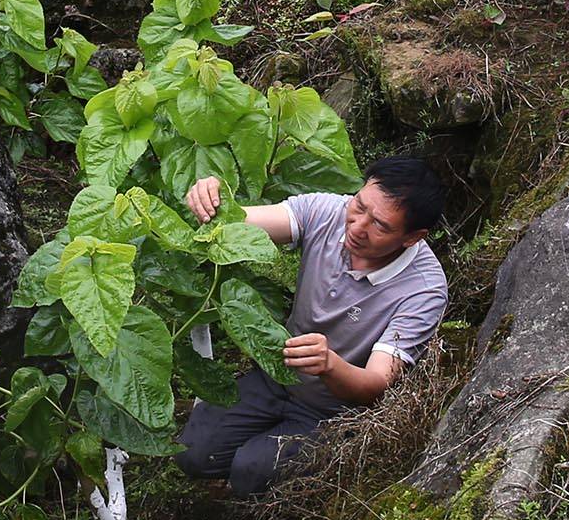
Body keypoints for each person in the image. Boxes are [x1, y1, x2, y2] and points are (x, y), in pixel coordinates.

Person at [176, 155, 447, 497]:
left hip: (330, 411)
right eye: (359, 205)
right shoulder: (328, 212)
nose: (357, 226)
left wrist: (330, 365)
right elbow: (239, 224)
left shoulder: (423, 288)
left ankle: (259, 510)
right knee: (193, 453)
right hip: (277, 376)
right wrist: (212, 199)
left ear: (413, 237)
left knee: (250, 472)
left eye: (380, 225)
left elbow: (377, 385)